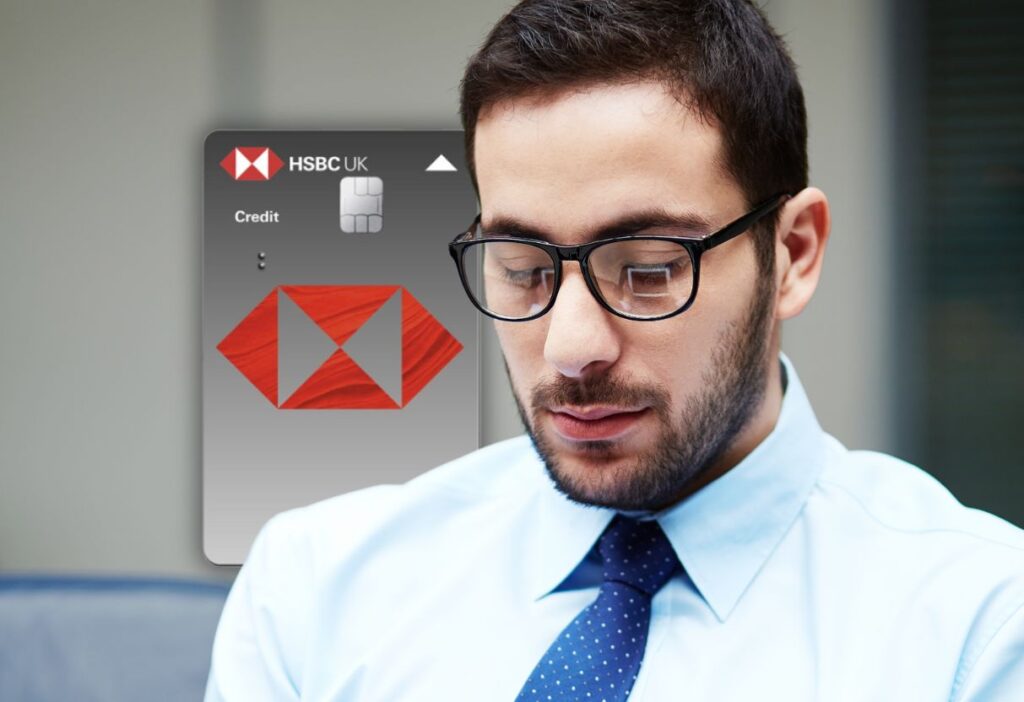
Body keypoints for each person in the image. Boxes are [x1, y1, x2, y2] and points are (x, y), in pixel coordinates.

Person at [204, 1, 1024, 699]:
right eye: (523, 270)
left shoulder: (975, 627)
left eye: (646, 271)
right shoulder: (316, 589)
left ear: (794, 254)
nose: (570, 348)